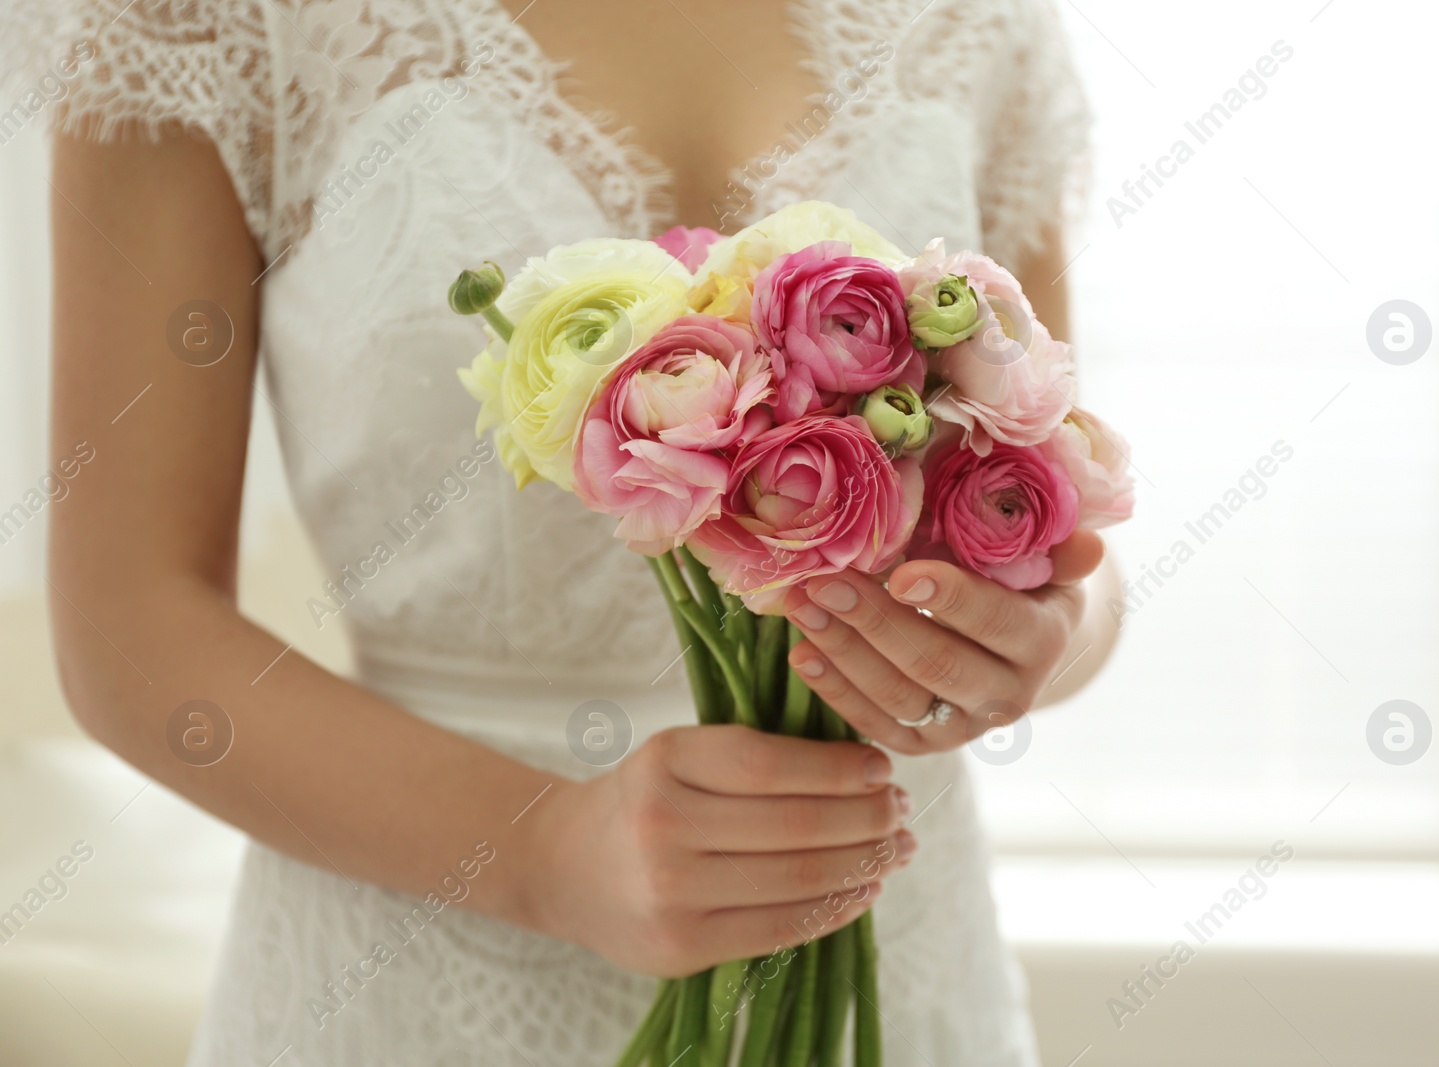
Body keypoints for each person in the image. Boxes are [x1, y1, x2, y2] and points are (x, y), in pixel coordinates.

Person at [22, 0, 1114, 1062]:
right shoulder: (203, 17)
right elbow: (130, 626)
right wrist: (542, 851)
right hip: (410, 966)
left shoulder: (981, 18)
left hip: (889, 949)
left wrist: (1036, 637)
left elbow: (1065, 516)